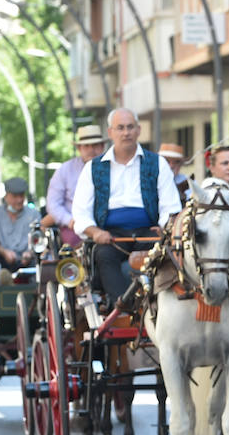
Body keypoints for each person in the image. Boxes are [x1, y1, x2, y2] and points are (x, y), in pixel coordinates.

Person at [70, 108, 181, 307]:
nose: (126, 132)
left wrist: (164, 227)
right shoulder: (93, 168)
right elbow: (81, 213)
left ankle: (155, 303)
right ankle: (123, 308)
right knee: (103, 254)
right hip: (110, 236)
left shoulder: (158, 163)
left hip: (148, 233)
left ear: (138, 130)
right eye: (120, 128)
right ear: (110, 132)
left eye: (130, 127)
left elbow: (170, 207)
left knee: (164, 253)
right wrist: (95, 232)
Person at [42, 124, 107, 247]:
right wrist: (70, 220)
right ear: (79, 148)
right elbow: (53, 205)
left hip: (107, 225)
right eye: (86, 146)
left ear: (102, 146)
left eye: (95, 145)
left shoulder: (113, 168)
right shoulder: (64, 170)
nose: (91, 149)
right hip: (74, 226)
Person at [0, 177, 41, 285]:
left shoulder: (34, 214)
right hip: (3, 259)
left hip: (26, 260)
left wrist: (29, 253)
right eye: (15, 196)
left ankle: (37, 288)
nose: (19, 200)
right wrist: (4, 252)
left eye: (21, 196)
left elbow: (38, 238)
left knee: (40, 256)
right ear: (6, 196)